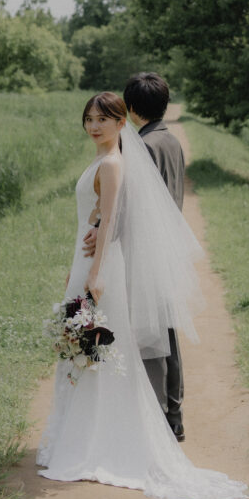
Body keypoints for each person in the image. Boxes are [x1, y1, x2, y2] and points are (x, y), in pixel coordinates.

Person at [36, 92, 248, 499]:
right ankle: (85, 432)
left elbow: (112, 219)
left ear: (122, 123)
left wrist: (95, 273)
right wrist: (75, 269)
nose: (95, 125)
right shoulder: (102, 160)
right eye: (89, 118)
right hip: (85, 266)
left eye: (104, 118)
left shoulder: (114, 163)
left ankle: (104, 439)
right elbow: (94, 218)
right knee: (85, 354)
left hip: (100, 271)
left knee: (100, 354)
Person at [83, 72, 186, 440]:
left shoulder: (141, 148)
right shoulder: (170, 141)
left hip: (142, 249)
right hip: (165, 248)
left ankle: (152, 417)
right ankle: (173, 415)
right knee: (166, 332)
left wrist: (101, 232)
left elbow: (128, 204)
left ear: (130, 108)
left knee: (143, 333)